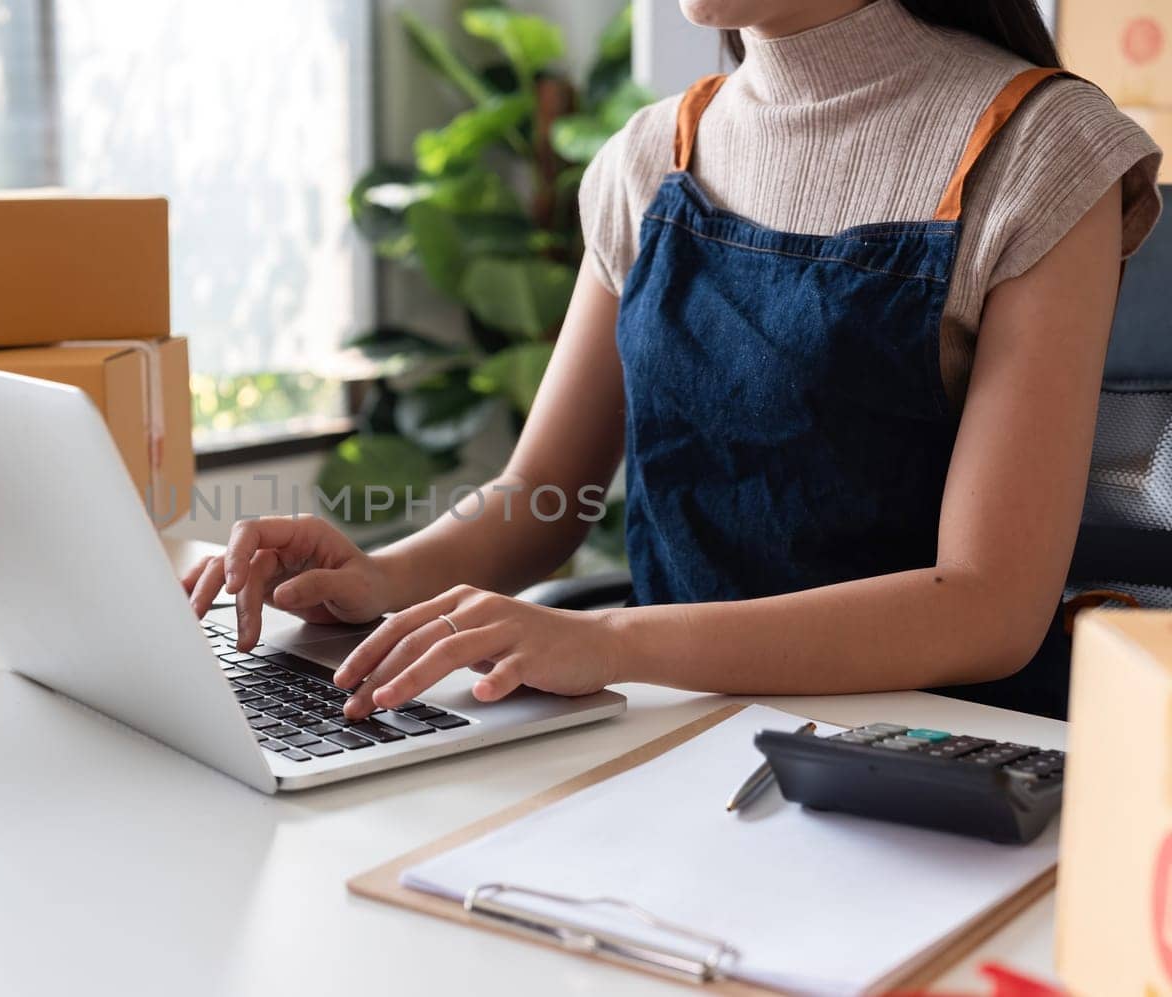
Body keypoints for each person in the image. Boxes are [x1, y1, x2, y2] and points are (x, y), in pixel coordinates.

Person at [184, 0, 1163, 721]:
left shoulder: (1042, 150)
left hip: (924, 744)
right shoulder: (652, 155)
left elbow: (986, 607)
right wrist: (386, 574)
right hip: (672, 723)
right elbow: (541, 499)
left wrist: (606, 641)